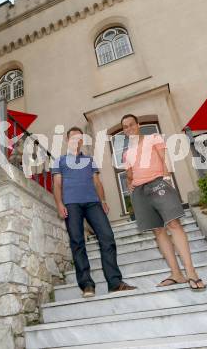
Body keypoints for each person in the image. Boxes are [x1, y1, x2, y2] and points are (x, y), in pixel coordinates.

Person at [121, 114, 206, 291]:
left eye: (131, 125)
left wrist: (166, 177)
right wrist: (130, 184)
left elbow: (163, 158)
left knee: (174, 224)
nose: (129, 129)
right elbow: (129, 173)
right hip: (140, 191)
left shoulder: (154, 138)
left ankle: (191, 272)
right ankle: (176, 274)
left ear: (138, 125)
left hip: (158, 182)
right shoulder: (126, 153)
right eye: (125, 127)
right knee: (158, 230)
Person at [52, 126, 137, 298]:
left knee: (107, 237)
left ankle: (114, 283)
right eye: (73, 138)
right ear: (68, 141)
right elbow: (57, 184)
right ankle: (87, 285)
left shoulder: (89, 160)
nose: (77, 141)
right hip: (71, 204)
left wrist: (103, 200)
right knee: (77, 242)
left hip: (93, 203)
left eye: (79, 138)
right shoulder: (59, 161)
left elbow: (97, 182)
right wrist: (59, 203)